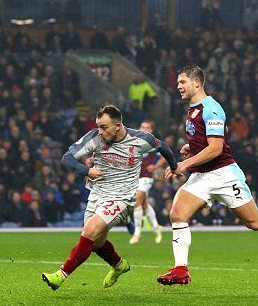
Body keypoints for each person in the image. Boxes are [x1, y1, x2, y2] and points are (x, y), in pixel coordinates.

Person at [157, 64, 258, 286]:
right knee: (177, 214)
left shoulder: (212, 108)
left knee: (256, 222)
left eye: (182, 82)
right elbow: (208, 142)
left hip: (224, 175)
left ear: (197, 82)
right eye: (178, 82)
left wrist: (185, 163)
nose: (178, 86)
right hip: (202, 176)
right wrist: (192, 147)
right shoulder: (192, 109)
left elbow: (216, 149)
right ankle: (180, 270)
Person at [41, 105, 178, 290]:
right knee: (95, 242)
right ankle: (119, 265)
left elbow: (163, 147)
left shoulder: (140, 139)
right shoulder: (94, 137)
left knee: (89, 232)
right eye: (98, 126)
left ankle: (60, 275)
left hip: (123, 198)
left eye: (104, 127)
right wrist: (87, 170)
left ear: (118, 125)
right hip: (97, 195)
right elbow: (67, 158)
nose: (100, 131)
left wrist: (174, 167)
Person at [129, 120, 164, 245]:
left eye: (147, 127)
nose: (144, 129)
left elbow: (164, 156)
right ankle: (156, 228)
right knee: (144, 204)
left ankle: (137, 232)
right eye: (142, 126)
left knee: (137, 201)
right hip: (135, 176)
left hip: (147, 177)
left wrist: (155, 167)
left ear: (151, 130)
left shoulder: (153, 143)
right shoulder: (134, 141)